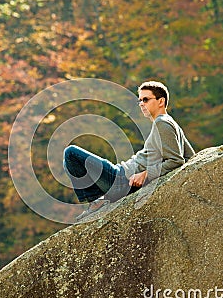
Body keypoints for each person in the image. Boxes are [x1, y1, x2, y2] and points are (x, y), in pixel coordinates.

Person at [63, 81, 195, 220]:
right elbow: (190, 156)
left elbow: (176, 161)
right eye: (140, 100)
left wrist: (145, 174)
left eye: (146, 99)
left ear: (161, 101)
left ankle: (97, 200)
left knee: (71, 153)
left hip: (122, 180)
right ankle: (101, 199)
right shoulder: (170, 122)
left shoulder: (162, 123)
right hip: (123, 176)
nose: (141, 104)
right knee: (68, 162)